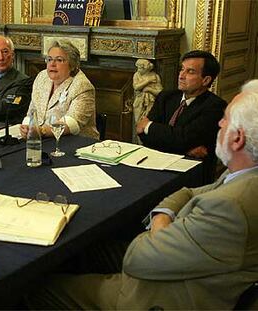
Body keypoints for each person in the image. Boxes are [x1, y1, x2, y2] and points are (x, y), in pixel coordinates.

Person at [26, 80, 258, 310]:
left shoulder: (230, 205)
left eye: (225, 120)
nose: (219, 123)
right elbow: (189, 191)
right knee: (89, 248)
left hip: (162, 294)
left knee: (36, 287)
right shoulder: (243, 174)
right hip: (181, 258)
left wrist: (159, 225)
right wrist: (164, 218)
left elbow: (136, 260)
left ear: (237, 139)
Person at [136, 50, 226, 182]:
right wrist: (184, 148)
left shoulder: (215, 106)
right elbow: (144, 135)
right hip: (155, 164)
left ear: (206, 80)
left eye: (190, 72)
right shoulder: (166, 97)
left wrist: (149, 126)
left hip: (191, 174)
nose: (181, 76)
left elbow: (183, 138)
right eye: (182, 69)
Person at [20, 40, 99, 140]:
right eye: (49, 59)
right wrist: (26, 128)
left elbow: (72, 124)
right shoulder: (42, 77)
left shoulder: (82, 86)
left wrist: (41, 131)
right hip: (43, 139)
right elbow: (32, 111)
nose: (52, 64)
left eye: (59, 60)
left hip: (76, 143)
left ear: (72, 64)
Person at [132, 58, 163, 143]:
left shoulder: (155, 76)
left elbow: (160, 92)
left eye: (140, 68)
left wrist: (149, 89)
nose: (138, 70)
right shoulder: (137, 75)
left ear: (146, 68)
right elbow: (136, 87)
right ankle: (139, 144)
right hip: (139, 103)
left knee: (148, 124)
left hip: (151, 103)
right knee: (138, 123)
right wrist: (148, 81)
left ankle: (148, 145)